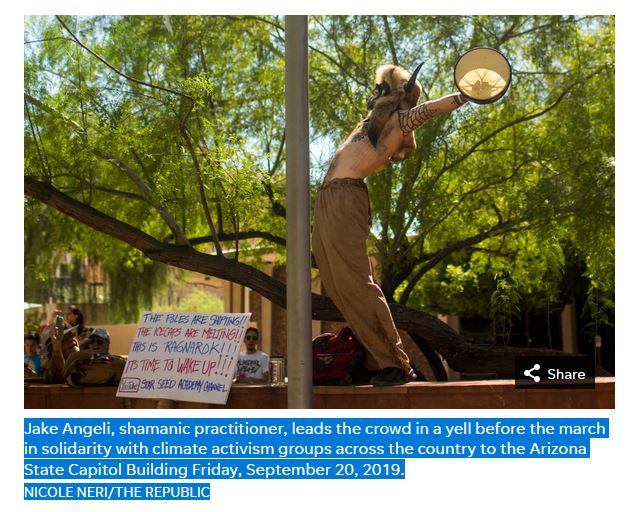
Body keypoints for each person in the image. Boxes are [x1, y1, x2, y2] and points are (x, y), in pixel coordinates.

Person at [312, 63, 468, 386]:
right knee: (338, 286)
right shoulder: (372, 123)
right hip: (327, 199)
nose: (373, 92)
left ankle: (396, 363)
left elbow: (427, 110)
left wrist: (464, 96)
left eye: (379, 86)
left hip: (346, 198)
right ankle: (372, 359)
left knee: (357, 284)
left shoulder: (399, 119)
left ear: (391, 92)